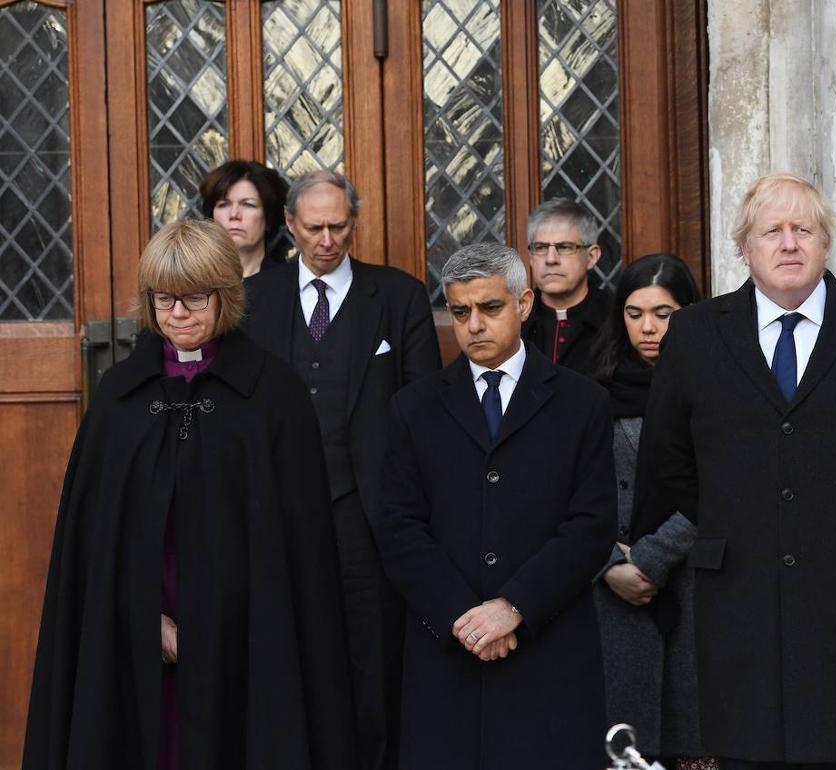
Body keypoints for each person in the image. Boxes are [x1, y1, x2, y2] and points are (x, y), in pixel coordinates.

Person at [633, 172, 836, 769]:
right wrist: (737, 516)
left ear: (825, 244)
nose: (788, 244)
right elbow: (669, 459)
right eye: (770, 231)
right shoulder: (696, 334)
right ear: (743, 247)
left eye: (804, 229)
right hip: (739, 597)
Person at [22, 220, 356, 770]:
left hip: (244, 642)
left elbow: (295, 550)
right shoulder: (121, 398)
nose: (177, 313)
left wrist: (210, 624)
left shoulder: (273, 395)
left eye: (194, 298)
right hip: (133, 638)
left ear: (225, 296)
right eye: (164, 299)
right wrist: (145, 616)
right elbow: (95, 546)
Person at [371, 242, 616, 770]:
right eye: (461, 312)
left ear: (525, 304)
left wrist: (513, 608)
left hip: (547, 651)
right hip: (447, 657)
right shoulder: (413, 408)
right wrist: (464, 617)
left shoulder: (582, 403)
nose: (474, 325)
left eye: (490, 308)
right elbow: (398, 527)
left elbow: (592, 526)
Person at [242, 170, 441, 770]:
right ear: (290, 227)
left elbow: (424, 410)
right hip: (279, 509)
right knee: (288, 652)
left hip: (369, 515)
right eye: (314, 228)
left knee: (371, 659)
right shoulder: (254, 297)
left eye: (339, 226)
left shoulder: (399, 296)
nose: (327, 240)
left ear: (354, 223)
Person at [590, 253, 715, 769]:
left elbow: (723, 486)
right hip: (608, 595)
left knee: (693, 738)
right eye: (635, 312)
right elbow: (561, 492)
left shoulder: (717, 387)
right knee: (621, 743)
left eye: (663, 314)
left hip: (691, 588)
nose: (648, 328)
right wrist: (607, 562)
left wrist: (652, 557)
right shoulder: (589, 389)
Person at [520, 197, 613, 376]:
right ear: (531, 257)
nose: (551, 259)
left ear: (591, 257)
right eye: (540, 248)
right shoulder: (514, 318)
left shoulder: (616, 318)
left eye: (564, 247)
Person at [199, 159, 291, 276]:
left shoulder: (290, 286)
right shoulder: (193, 285)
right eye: (223, 205)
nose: (234, 214)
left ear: (268, 218)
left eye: (248, 204)